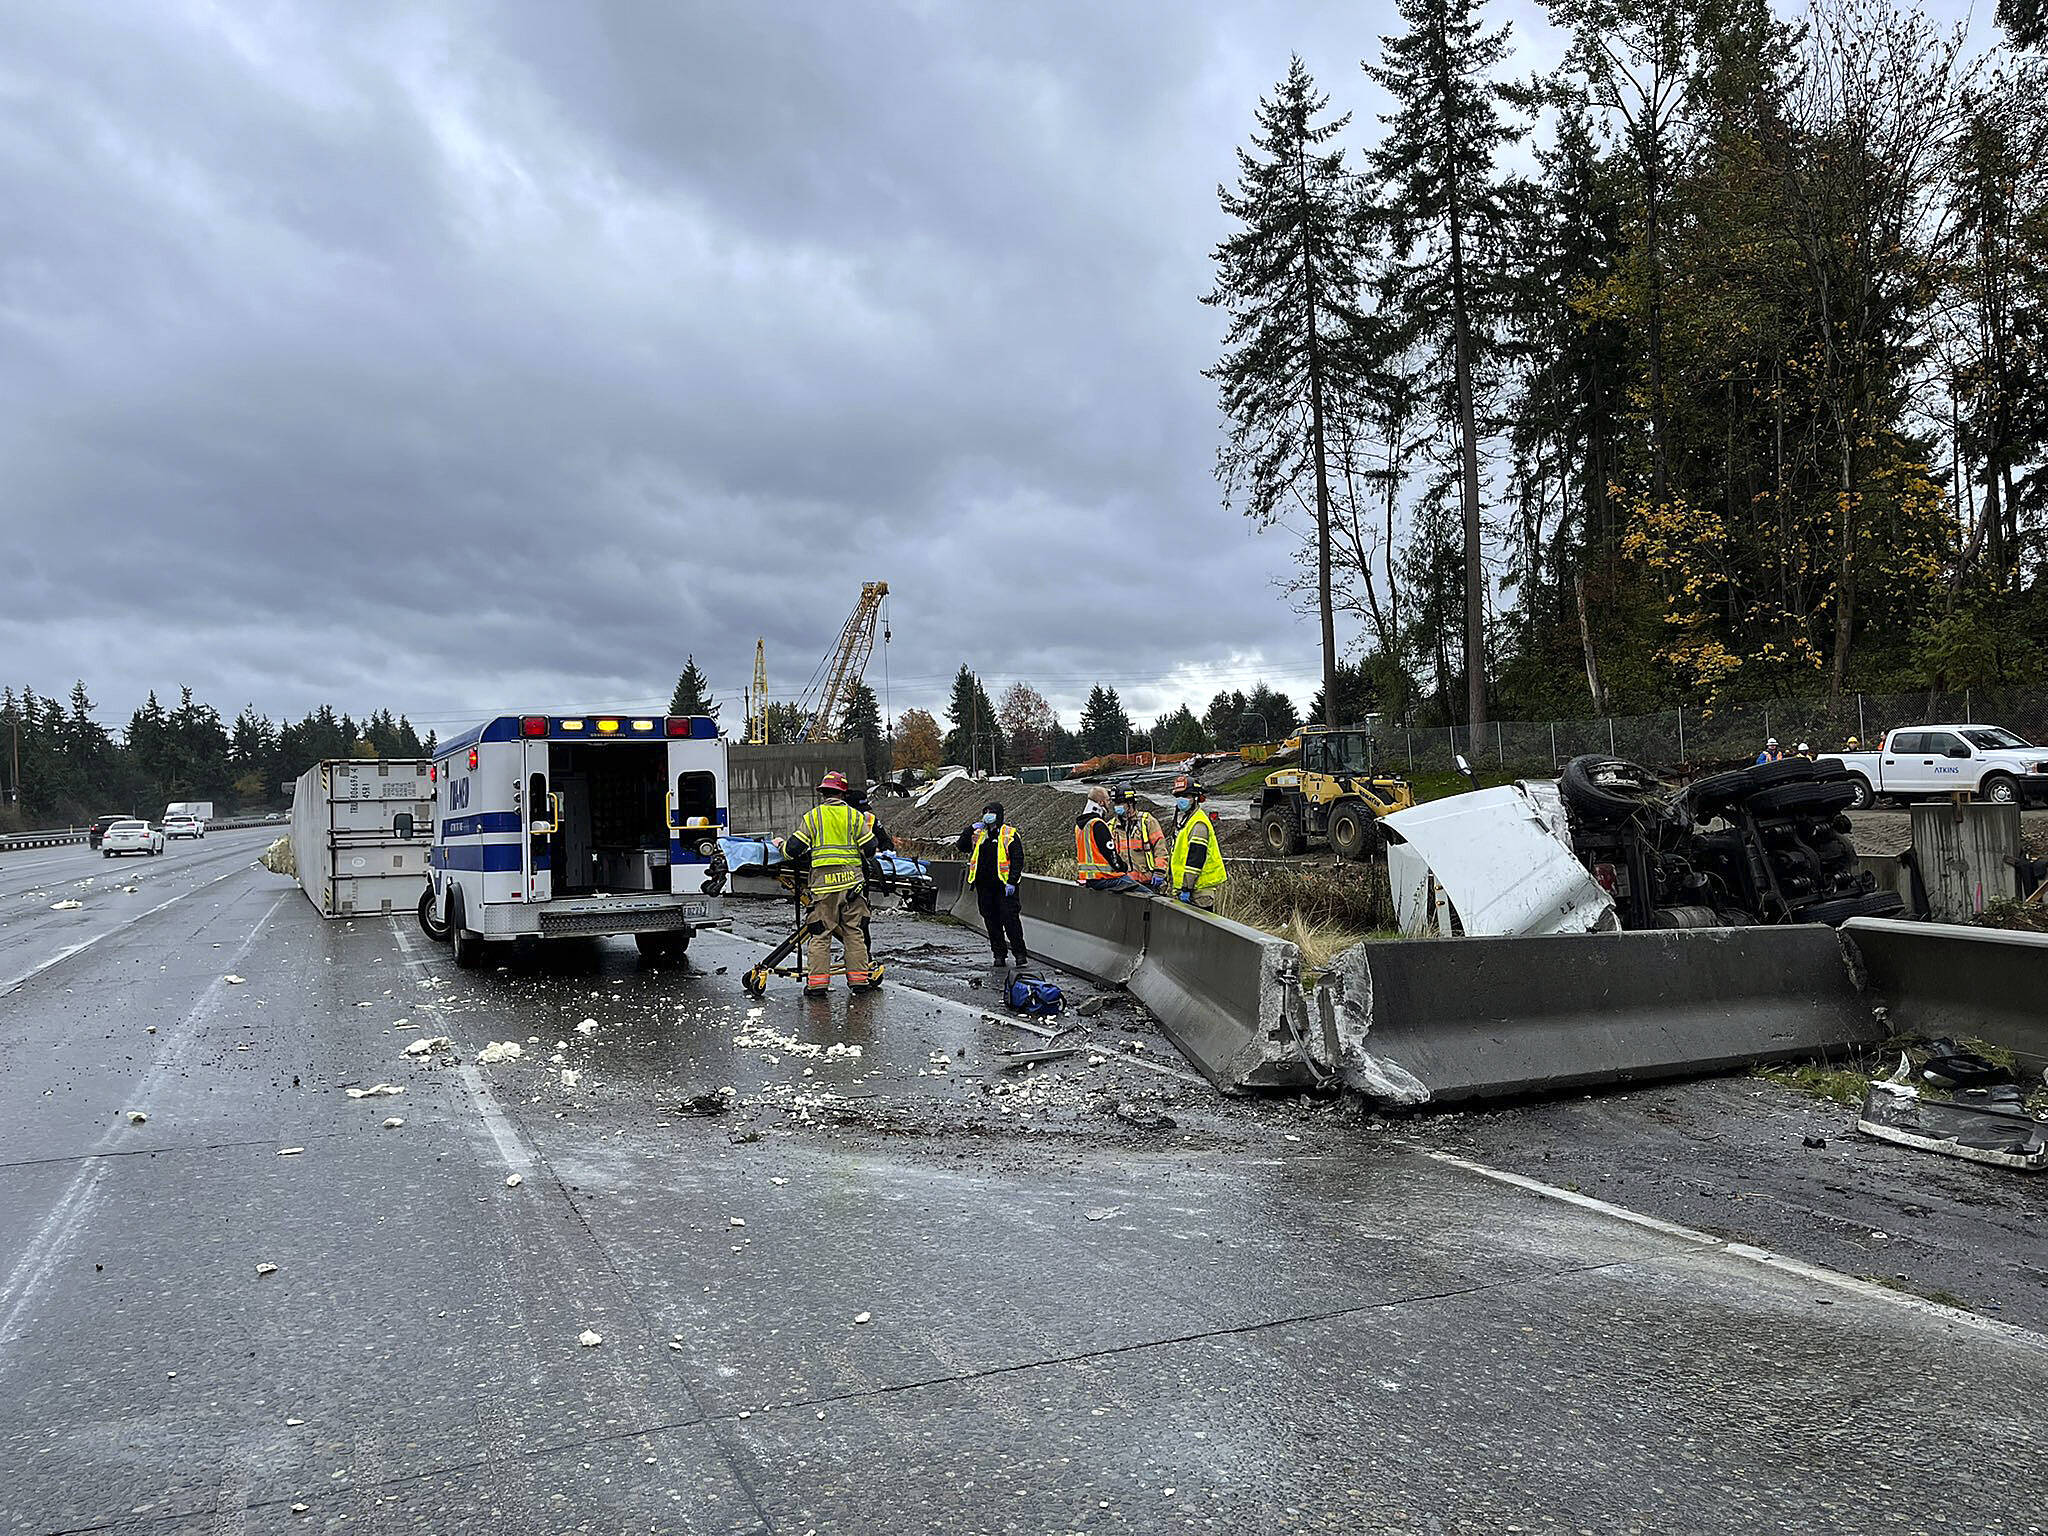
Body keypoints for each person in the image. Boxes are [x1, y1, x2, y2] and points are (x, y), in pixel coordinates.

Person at [784, 770, 878, 995]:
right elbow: (871, 847)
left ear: (823, 793)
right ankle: (859, 981)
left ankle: (817, 985)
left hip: (824, 888)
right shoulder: (855, 817)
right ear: (843, 794)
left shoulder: (813, 817)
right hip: (852, 886)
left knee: (821, 933)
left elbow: (793, 850)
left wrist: (780, 846)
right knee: (854, 932)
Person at [956, 802, 1027, 970]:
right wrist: (970, 829)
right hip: (984, 886)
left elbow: (1018, 858)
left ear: (999, 815)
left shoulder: (1009, 834)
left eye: (991, 812)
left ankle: (1020, 954)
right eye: (986, 812)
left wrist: (1012, 881)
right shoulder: (980, 834)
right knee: (991, 921)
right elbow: (961, 846)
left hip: (1004, 887)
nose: (988, 815)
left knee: (1010, 921)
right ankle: (999, 955)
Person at [1074, 786, 1151, 893]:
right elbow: (1110, 854)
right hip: (1104, 878)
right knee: (1147, 895)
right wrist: (1123, 867)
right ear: (1101, 803)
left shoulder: (1080, 827)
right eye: (1108, 800)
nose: (1110, 803)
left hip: (1089, 879)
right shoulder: (1098, 824)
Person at [1169, 776, 1227, 910]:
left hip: (1199, 892)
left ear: (1195, 798)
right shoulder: (1186, 820)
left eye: (1185, 796)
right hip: (1188, 889)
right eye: (1179, 796)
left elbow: (1196, 858)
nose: (1181, 800)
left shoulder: (1198, 823)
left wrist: (1186, 887)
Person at [1113, 789, 1169, 889]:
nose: (1118, 807)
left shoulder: (1147, 821)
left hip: (1148, 881)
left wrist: (1159, 871)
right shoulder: (1112, 826)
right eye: (1116, 803)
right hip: (1125, 883)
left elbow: (1160, 848)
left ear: (1130, 803)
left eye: (1121, 803)